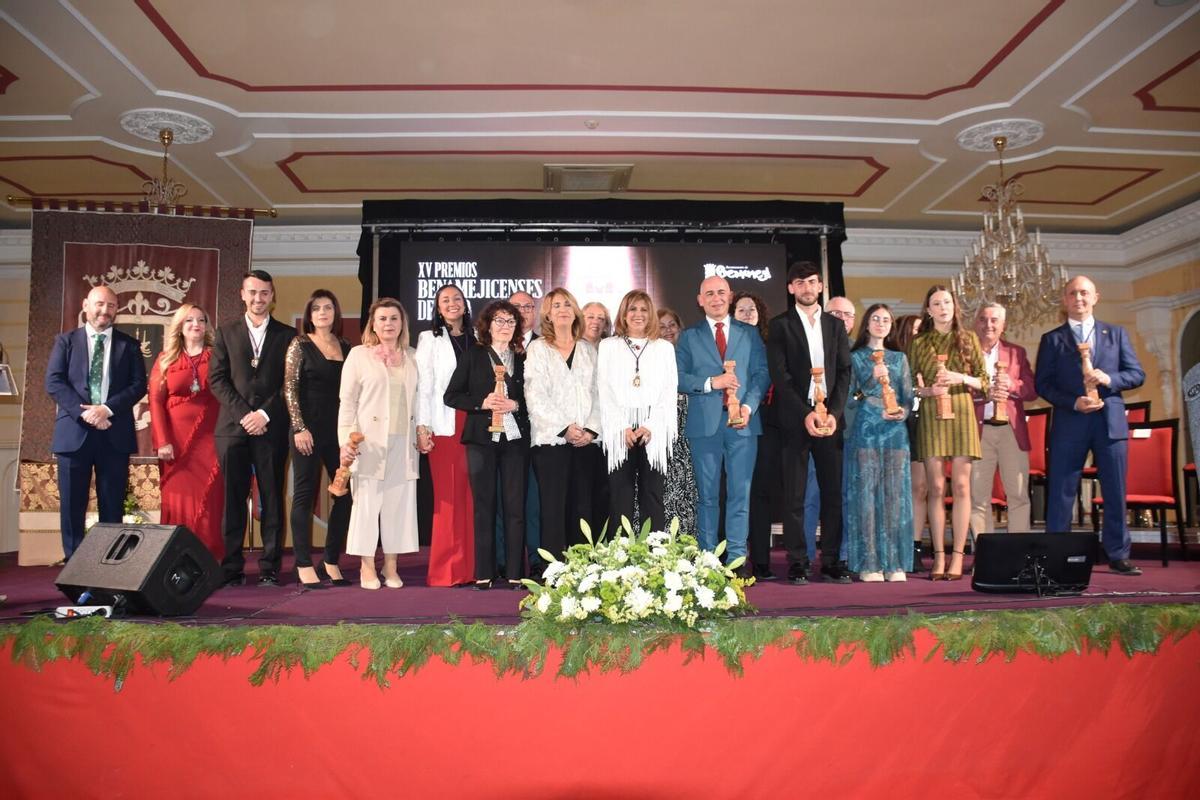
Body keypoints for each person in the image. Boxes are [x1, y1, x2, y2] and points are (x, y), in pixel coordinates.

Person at [1036, 275, 1145, 575]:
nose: (1079, 298)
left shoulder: (1117, 334)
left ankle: (1118, 554)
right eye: (1072, 293)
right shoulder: (1052, 339)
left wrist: (1109, 379)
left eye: (1084, 293)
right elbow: (1043, 384)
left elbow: (1136, 374)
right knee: (1061, 492)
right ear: (1064, 300)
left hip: (1110, 424)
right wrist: (1073, 402)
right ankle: (1055, 554)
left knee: (1114, 490)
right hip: (1070, 424)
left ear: (1096, 296)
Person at [766, 262, 853, 585]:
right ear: (791, 288)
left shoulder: (835, 325)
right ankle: (798, 561)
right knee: (795, 496)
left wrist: (834, 413)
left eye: (812, 282)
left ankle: (831, 561)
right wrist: (805, 413)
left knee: (833, 494)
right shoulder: (780, 326)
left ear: (820, 287)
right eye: (799, 282)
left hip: (831, 420)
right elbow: (781, 376)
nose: (806, 287)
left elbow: (844, 372)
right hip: (795, 421)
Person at [46, 285, 147, 561]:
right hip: (73, 433)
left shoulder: (130, 345)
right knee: (71, 505)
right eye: (100, 304)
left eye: (111, 306)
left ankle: (109, 562)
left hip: (113, 434)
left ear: (117, 310)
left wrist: (105, 409)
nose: (105, 311)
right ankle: (74, 562)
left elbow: (139, 386)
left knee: (112, 504)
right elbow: (54, 382)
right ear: (85, 305)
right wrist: (86, 414)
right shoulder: (65, 342)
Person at [677, 277, 768, 574]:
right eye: (709, 294)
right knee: (707, 496)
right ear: (699, 299)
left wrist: (748, 406)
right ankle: (707, 560)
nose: (716, 298)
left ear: (729, 297)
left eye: (721, 293)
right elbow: (678, 378)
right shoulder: (689, 337)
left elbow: (761, 374)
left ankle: (737, 560)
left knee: (741, 493)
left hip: (743, 424)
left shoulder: (750, 334)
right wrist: (710, 383)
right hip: (704, 426)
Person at [208, 270, 294, 587]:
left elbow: (290, 384)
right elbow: (217, 379)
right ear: (242, 294)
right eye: (253, 292)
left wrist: (264, 415)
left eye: (265, 293)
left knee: (272, 498)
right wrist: (246, 413)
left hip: (271, 429)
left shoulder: (287, 336)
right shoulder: (226, 332)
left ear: (273, 297)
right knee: (233, 500)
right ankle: (231, 568)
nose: (258, 299)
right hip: (232, 428)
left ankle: (269, 567)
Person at [444, 300, 530, 589]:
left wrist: (515, 403)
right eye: (499, 321)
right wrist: (482, 403)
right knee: (484, 506)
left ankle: (516, 571)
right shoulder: (473, 355)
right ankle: (484, 571)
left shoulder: (525, 358)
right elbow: (452, 396)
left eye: (510, 321)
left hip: (515, 442)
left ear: (517, 327)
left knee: (515, 506)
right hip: (481, 441)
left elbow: (535, 401)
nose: (505, 326)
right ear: (488, 325)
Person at [338, 298, 420, 590]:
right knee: (367, 505)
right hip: (368, 443)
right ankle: (366, 566)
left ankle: (391, 565)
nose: (388, 324)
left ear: (402, 324)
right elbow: (347, 403)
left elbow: (418, 402)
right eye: (382, 318)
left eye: (394, 318)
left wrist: (423, 432)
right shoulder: (359, 356)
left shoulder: (412, 356)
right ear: (373, 323)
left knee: (398, 506)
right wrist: (346, 442)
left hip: (403, 442)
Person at [908, 285, 987, 581]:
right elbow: (908, 387)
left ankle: (958, 556)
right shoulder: (919, 343)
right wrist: (927, 390)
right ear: (928, 310)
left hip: (962, 411)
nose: (943, 307)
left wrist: (960, 377)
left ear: (955, 306)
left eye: (947, 302)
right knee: (937, 487)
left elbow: (986, 382)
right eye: (936, 303)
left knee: (963, 487)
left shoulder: (968, 339)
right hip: (931, 412)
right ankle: (938, 557)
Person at [525, 288, 600, 560]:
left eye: (568, 304)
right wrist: (564, 428)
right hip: (551, 442)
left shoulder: (588, 350)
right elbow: (535, 394)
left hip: (586, 442)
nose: (563, 309)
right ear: (547, 313)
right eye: (556, 305)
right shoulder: (538, 348)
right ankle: (553, 571)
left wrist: (591, 429)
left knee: (582, 507)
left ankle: (582, 569)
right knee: (553, 509)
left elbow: (599, 392)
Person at [284, 290, 352, 588]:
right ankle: (302, 562)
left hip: (339, 434)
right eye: (316, 308)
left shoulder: (348, 347)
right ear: (309, 315)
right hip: (307, 433)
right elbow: (289, 389)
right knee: (304, 496)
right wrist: (299, 428)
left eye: (328, 307)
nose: (323, 312)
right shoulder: (300, 344)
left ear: (335, 313)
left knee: (344, 496)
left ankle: (330, 559)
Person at [597, 290, 677, 533]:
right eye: (632, 309)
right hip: (619, 430)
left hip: (653, 429)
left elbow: (668, 391)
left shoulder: (663, 347)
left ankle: (654, 557)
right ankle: (618, 560)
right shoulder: (608, 346)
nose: (638, 314)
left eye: (643, 309)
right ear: (623, 313)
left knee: (652, 497)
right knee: (619, 497)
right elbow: (604, 389)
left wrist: (650, 425)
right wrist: (622, 427)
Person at [844, 304, 913, 581]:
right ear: (867, 324)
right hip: (866, 429)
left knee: (894, 497)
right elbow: (850, 398)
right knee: (867, 497)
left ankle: (894, 562)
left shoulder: (899, 358)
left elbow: (908, 399)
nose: (881, 323)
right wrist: (868, 386)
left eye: (886, 319)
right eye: (876, 318)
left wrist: (901, 413)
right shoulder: (855, 357)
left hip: (895, 431)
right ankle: (868, 563)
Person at [148, 303, 223, 559]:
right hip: (174, 445)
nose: (196, 325)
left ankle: (209, 560)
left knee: (211, 501)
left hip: (211, 440)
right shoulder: (165, 358)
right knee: (176, 500)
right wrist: (162, 441)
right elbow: (155, 402)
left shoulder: (217, 356)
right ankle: (176, 559)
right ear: (180, 326)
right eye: (189, 320)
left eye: (201, 320)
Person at [415, 284, 476, 587]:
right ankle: (445, 570)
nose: (452, 304)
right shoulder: (429, 339)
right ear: (438, 309)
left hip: (477, 423)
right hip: (444, 425)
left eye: (457, 299)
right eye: (445, 300)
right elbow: (424, 385)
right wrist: (422, 426)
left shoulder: (478, 338)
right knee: (449, 498)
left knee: (473, 498)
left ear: (466, 305)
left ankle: (471, 569)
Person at [971, 303, 1037, 536]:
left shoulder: (1017, 352)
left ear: (1003, 325)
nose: (988, 324)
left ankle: (1020, 555)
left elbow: (1031, 389)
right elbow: (957, 391)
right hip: (977, 431)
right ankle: (984, 554)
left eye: (994, 320)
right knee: (978, 497)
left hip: (1011, 430)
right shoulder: (965, 353)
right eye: (983, 319)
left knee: (1018, 494)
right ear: (976, 323)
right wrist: (982, 394)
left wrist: (1012, 385)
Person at [735, 292, 780, 580]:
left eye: (752, 309)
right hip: (734, 425)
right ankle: (733, 559)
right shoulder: (722, 345)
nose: (748, 313)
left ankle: (761, 561)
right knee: (735, 494)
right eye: (741, 309)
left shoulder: (770, 345)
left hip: (767, 426)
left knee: (761, 493)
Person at [505, 290, 544, 578]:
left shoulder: (547, 345)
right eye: (517, 307)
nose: (523, 311)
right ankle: (505, 562)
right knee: (506, 501)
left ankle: (537, 559)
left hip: (542, 435)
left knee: (535, 501)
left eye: (529, 306)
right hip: (507, 437)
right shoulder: (496, 347)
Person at [891, 313, 928, 572]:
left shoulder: (927, 359)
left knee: (920, 488)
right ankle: (894, 546)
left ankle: (915, 546)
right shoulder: (894, 359)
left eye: (921, 331)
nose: (918, 335)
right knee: (896, 491)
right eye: (913, 330)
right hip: (897, 427)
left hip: (923, 427)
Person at [657, 307, 697, 540]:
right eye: (661, 326)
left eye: (672, 324)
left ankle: (687, 547)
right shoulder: (651, 358)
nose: (668, 330)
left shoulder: (691, 356)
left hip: (688, 437)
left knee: (687, 493)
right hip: (659, 438)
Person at [579, 301, 613, 535]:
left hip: (609, 433)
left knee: (605, 495)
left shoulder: (612, 349)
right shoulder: (571, 347)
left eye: (601, 318)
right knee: (581, 497)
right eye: (590, 317)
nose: (595, 322)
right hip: (580, 434)